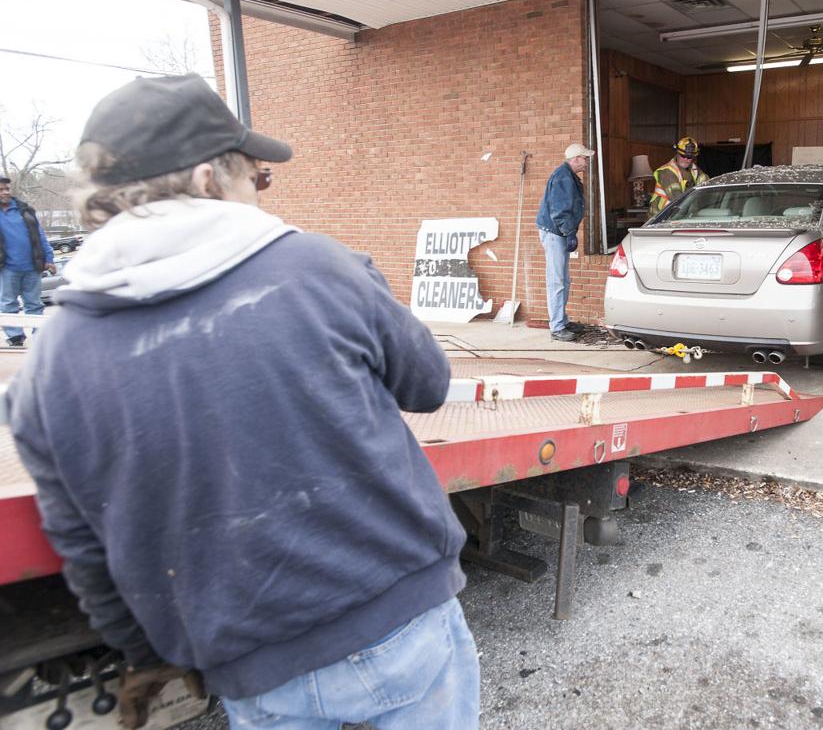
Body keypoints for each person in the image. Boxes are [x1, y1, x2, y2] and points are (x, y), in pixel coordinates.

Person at [6, 74, 479, 730]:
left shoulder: (50, 362)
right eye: (256, 179)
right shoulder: (316, 267)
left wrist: (146, 655)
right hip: (399, 623)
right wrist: (362, 281)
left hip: (253, 673)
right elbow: (427, 383)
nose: (260, 196)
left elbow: (85, 545)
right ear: (207, 181)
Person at [536, 142, 591, 342]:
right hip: (555, 233)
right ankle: (557, 327)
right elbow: (559, 210)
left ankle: (562, 321)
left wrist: (568, 231)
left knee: (563, 280)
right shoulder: (563, 177)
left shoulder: (567, 176)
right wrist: (569, 232)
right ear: (575, 158)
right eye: (585, 158)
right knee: (557, 280)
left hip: (557, 232)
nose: (586, 162)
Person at [0, 176, 57, 347]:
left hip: (33, 267)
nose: (5, 192)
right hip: (6, 269)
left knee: (34, 304)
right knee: (8, 304)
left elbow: (40, 236)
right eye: (1, 189)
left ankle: (39, 336)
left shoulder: (25, 211)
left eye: (7, 189)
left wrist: (49, 259)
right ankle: (15, 337)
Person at [649, 136, 708, 218]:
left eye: (690, 157)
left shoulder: (694, 170)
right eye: (683, 155)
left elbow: (708, 187)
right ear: (677, 153)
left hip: (678, 217)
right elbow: (677, 199)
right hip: (659, 219)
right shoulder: (667, 172)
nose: (686, 159)